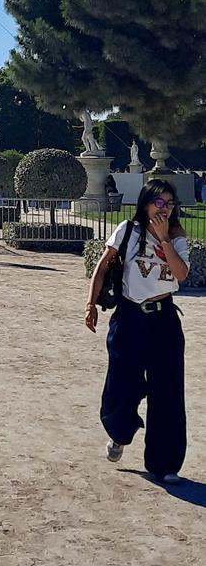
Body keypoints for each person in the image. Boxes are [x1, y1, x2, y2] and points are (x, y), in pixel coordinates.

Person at [85, 180, 190, 484]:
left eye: (169, 203)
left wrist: (164, 240)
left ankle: (165, 462)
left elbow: (181, 275)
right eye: (159, 202)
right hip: (130, 317)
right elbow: (103, 266)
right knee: (122, 386)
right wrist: (90, 304)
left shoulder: (177, 237)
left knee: (168, 391)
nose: (164, 208)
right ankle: (119, 433)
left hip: (164, 320)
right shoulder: (127, 230)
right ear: (145, 203)